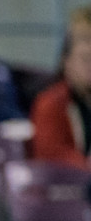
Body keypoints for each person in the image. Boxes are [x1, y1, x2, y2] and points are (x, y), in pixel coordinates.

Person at [30, 39, 91, 170]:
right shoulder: (50, 103)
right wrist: (86, 165)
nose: (90, 66)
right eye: (85, 59)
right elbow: (51, 153)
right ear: (67, 63)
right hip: (70, 178)